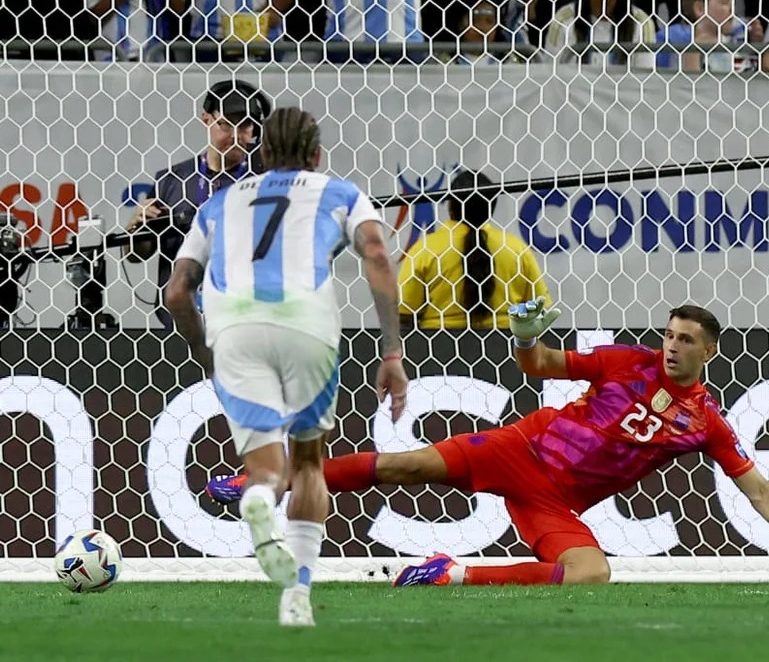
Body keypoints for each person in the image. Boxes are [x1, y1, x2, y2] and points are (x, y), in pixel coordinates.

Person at [207, 301, 769, 585]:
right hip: (522, 449)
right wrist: (526, 333)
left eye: (684, 340)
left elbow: (754, 486)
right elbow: (540, 366)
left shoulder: (706, 422)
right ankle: (265, 480)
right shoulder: (626, 361)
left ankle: (452, 574)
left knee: (591, 574)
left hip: (556, 502)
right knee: (408, 464)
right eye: (668, 334)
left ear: (708, 351)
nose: (671, 345)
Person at [165, 107, 409, 626]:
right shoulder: (338, 191)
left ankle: (258, 495)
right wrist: (392, 350)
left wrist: (209, 352)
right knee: (308, 466)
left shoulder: (218, 202)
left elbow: (177, 291)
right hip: (307, 327)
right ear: (317, 156)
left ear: (262, 154)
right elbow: (377, 253)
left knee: (267, 469)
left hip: (235, 330)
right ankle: (296, 595)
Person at [125, 80, 269, 329]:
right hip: (183, 325)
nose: (236, 135)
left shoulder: (268, 180)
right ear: (207, 120)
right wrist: (136, 227)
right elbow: (137, 255)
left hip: (248, 323)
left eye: (245, 125)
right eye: (227, 123)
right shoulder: (171, 180)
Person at [399, 169, 549, 329]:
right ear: (492, 207)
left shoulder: (425, 250)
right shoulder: (516, 249)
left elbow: (405, 315)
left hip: (438, 347)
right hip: (506, 347)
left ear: (450, 204)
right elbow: (539, 309)